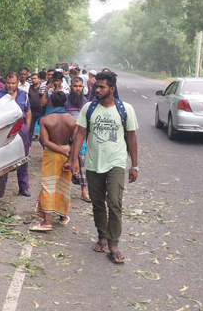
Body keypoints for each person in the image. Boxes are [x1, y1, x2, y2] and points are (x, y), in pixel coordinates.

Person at [69, 72, 139, 264]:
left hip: (116, 162)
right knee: (98, 203)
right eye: (96, 86)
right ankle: (102, 237)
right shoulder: (88, 108)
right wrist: (73, 159)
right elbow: (80, 133)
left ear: (112, 89)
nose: (97, 89)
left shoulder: (126, 109)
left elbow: (131, 137)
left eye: (101, 87)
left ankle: (114, 244)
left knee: (114, 202)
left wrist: (135, 165)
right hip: (93, 162)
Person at [31, 91, 76, 232]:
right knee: (63, 185)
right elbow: (76, 142)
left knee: (48, 185)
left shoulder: (45, 120)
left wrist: (60, 150)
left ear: (50, 102)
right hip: (67, 152)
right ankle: (63, 217)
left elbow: (45, 141)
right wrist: (68, 155)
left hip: (51, 154)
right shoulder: (72, 120)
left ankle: (46, 221)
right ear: (65, 103)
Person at [0, 72, 32, 196]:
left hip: (21, 128)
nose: (10, 85)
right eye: (8, 83)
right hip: (4, 130)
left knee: (23, 157)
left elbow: (28, 111)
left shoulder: (24, 95)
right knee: (4, 158)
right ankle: (2, 187)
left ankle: (23, 187)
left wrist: (27, 128)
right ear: (5, 82)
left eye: (13, 83)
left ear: (17, 83)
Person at [66, 77, 91, 203]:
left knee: (83, 165)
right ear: (71, 87)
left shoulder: (86, 103)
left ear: (83, 87)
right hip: (66, 138)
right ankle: (64, 193)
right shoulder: (65, 100)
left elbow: (89, 124)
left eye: (80, 86)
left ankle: (84, 192)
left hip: (81, 139)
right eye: (75, 86)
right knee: (66, 164)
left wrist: (87, 140)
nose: (77, 89)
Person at [27, 73, 45, 143]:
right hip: (31, 111)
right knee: (30, 129)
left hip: (41, 111)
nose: (33, 80)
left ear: (39, 79)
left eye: (35, 78)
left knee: (43, 129)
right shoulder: (29, 88)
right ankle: (28, 145)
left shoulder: (42, 88)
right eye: (32, 79)